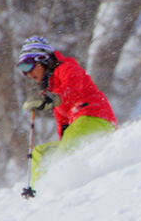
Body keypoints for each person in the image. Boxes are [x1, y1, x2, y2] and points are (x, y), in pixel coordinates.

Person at [17, 36, 117, 188]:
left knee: (62, 157)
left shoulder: (67, 67)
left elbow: (71, 90)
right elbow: (62, 122)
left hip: (94, 118)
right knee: (40, 153)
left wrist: (50, 99)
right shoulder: (51, 87)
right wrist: (62, 137)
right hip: (79, 126)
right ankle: (40, 190)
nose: (28, 74)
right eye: (23, 70)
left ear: (42, 59)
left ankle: (61, 186)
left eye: (29, 66)